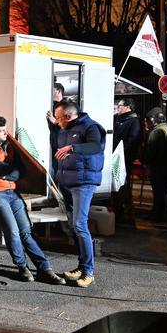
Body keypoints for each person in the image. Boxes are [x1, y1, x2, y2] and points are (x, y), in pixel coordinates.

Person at [0, 115, 65, 284]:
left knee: (25, 232)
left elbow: (21, 169)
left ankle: (45, 269)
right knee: (12, 232)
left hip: (12, 193)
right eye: (1, 131)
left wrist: (12, 173)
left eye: (5, 129)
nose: (6, 133)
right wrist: (11, 172)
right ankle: (23, 268)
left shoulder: (6, 145)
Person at [53, 101, 105, 288]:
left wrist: (73, 148)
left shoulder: (90, 127)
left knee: (80, 225)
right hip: (67, 182)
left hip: (83, 183)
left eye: (59, 119)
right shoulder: (64, 129)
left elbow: (95, 147)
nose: (57, 122)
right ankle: (81, 266)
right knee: (73, 226)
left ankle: (89, 272)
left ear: (68, 116)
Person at [142, 108, 167, 222]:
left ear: (153, 119)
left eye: (148, 120)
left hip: (158, 165)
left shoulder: (156, 131)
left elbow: (151, 151)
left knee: (158, 191)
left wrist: (145, 162)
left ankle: (157, 213)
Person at [112, 98, 142, 219]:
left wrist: (121, 153)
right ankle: (116, 206)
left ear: (128, 107)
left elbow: (133, 140)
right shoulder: (118, 119)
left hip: (123, 158)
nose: (117, 108)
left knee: (122, 183)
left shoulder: (134, 121)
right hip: (115, 157)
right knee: (116, 184)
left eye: (119, 106)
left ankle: (124, 208)